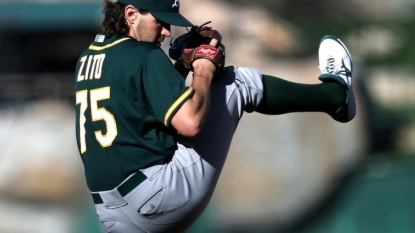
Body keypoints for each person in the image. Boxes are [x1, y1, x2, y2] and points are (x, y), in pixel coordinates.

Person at [74, 0, 355, 232]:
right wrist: (204, 65)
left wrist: (181, 67)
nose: (166, 32)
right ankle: (337, 95)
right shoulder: (143, 55)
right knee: (237, 82)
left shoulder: (87, 59)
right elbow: (191, 122)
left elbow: (142, 109)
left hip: (111, 216)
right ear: (131, 14)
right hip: (157, 197)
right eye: (160, 21)